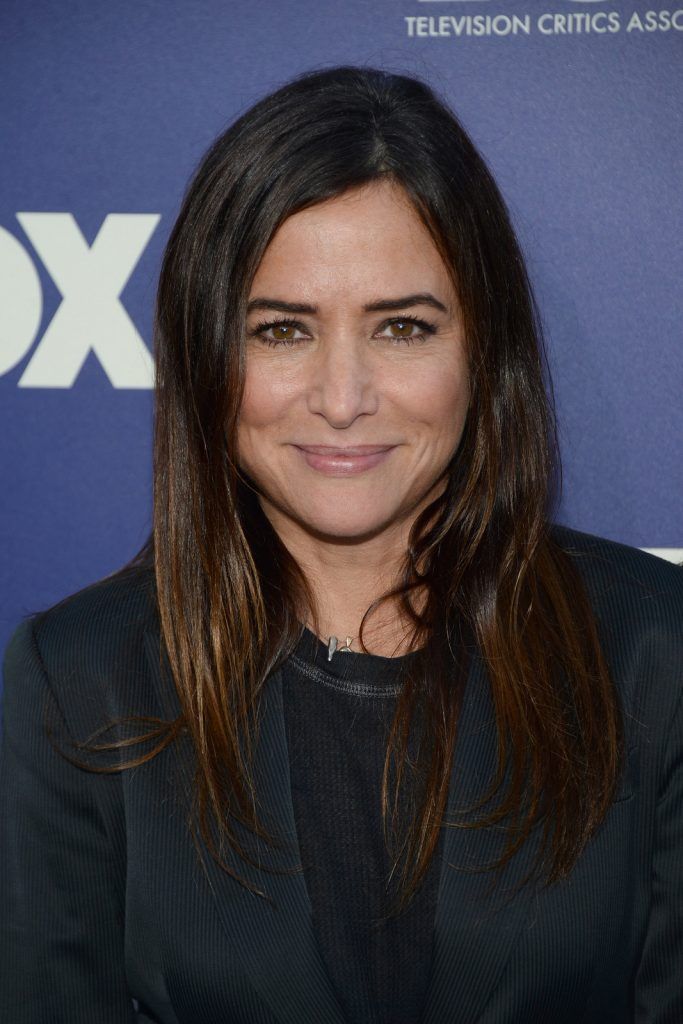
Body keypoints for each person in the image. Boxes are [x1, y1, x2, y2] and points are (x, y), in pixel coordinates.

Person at [1, 65, 681, 1024]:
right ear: (204, 355)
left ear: (482, 351)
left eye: (403, 327)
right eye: (281, 331)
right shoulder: (80, 681)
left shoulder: (653, 653)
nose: (342, 395)